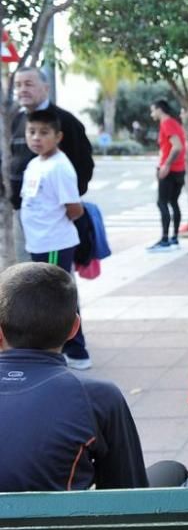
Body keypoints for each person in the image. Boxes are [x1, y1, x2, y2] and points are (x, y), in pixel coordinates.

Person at [0, 262, 188, 491]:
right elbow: (126, 492)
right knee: (172, 471)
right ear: (74, 328)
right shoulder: (98, 397)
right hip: (65, 526)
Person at [19, 108, 90, 370]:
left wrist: (53, 228)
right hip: (39, 243)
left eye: (44, 133)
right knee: (47, 297)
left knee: (58, 298)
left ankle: (77, 351)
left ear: (58, 136)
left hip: (54, 244)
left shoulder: (60, 166)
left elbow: (75, 208)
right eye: (31, 132)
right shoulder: (35, 163)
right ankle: (55, 348)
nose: (36, 138)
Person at [10, 66, 94, 262]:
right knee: (26, 278)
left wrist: (62, 205)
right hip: (24, 215)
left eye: (29, 84)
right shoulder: (15, 119)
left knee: (54, 284)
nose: (23, 89)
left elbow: (83, 165)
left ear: (45, 88)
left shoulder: (64, 121)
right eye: (18, 85)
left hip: (53, 224)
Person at [148, 99, 185, 251]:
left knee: (162, 202)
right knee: (173, 202)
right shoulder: (176, 123)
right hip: (179, 170)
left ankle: (164, 240)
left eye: (152, 110)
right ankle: (174, 238)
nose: (152, 114)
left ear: (159, 110)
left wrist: (166, 165)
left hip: (170, 171)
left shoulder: (167, 123)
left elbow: (177, 146)